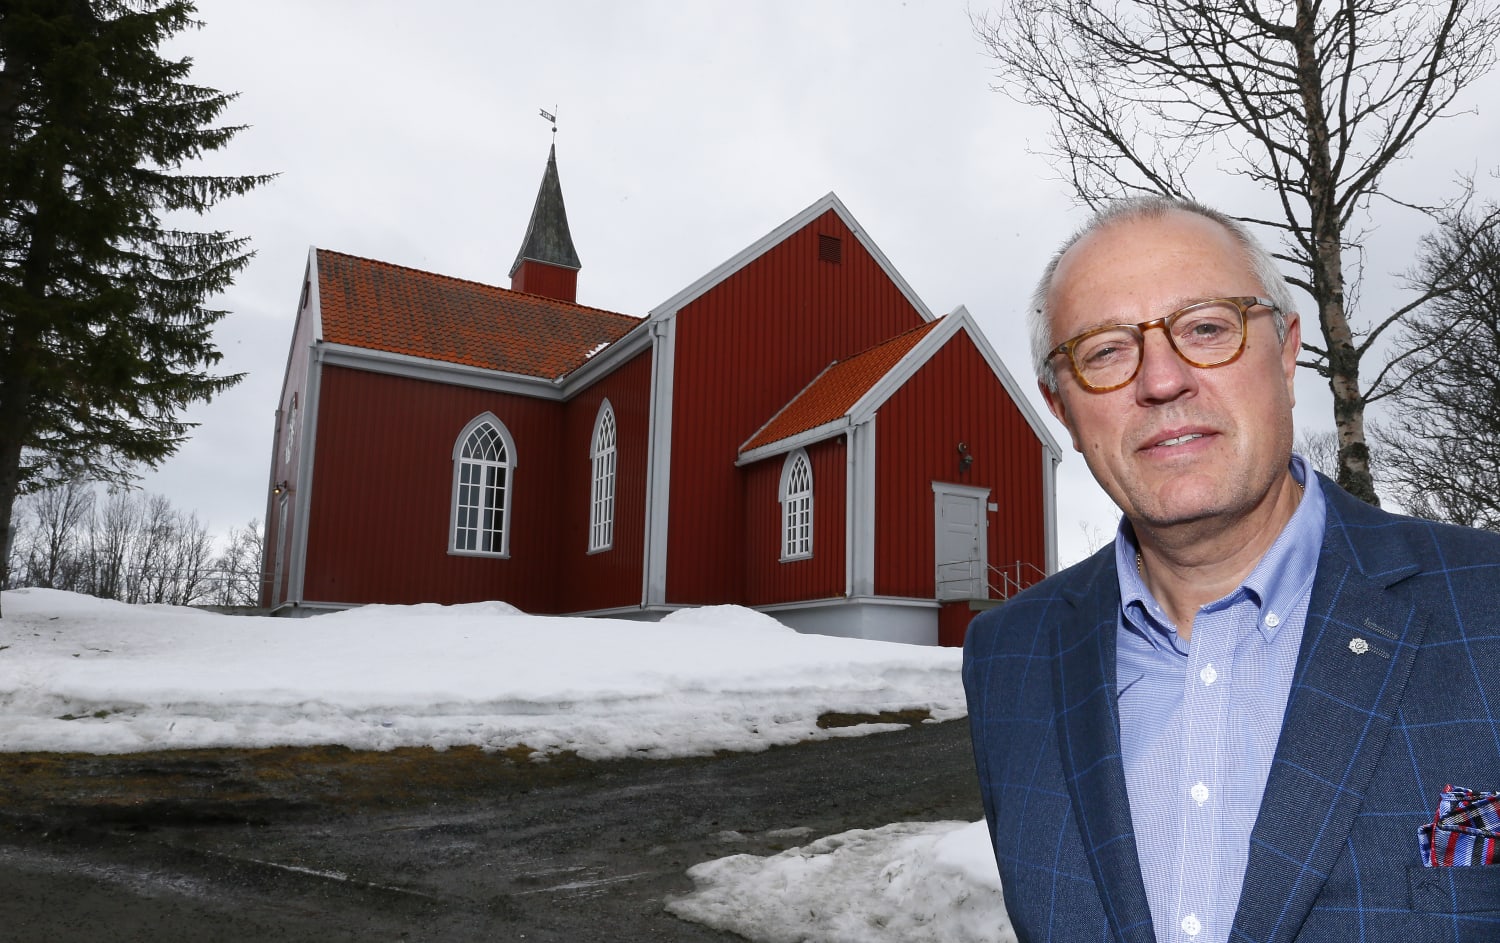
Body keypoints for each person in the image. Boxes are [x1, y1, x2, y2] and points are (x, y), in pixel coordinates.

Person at [963, 196, 1500, 943]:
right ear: (1063, 409)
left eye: (1207, 328)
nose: (1162, 380)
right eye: (1105, 351)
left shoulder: (1485, 602)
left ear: (1285, 351)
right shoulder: (1007, 657)